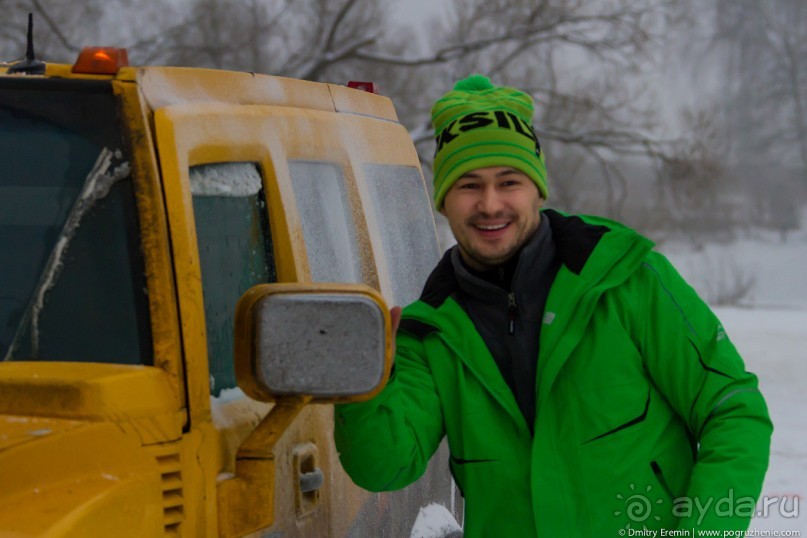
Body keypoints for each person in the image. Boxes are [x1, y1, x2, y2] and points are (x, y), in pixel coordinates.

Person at [334, 75, 772, 537]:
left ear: (538, 190)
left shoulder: (626, 281)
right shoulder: (429, 333)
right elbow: (385, 467)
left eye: (509, 182)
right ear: (443, 201)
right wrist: (364, 386)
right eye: (468, 185)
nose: (490, 204)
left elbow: (733, 409)